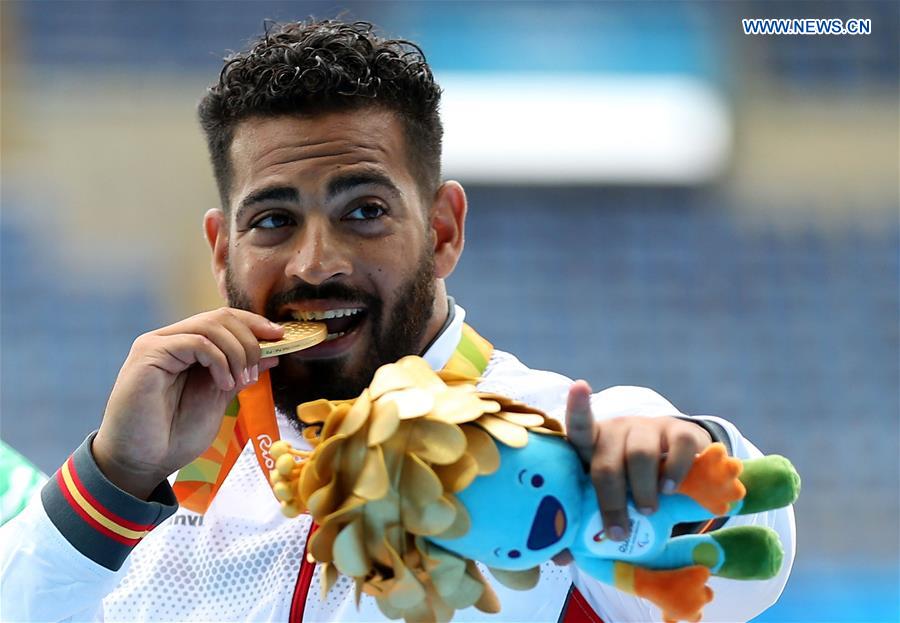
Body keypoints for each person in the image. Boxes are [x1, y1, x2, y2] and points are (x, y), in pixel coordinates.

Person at [0, 19, 794, 623]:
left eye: (365, 211)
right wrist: (111, 474)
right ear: (221, 249)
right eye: (273, 221)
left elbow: (749, 565)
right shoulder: (160, 477)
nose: (316, 262)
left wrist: (681, 456)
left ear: (444, 230)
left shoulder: (546, 438)